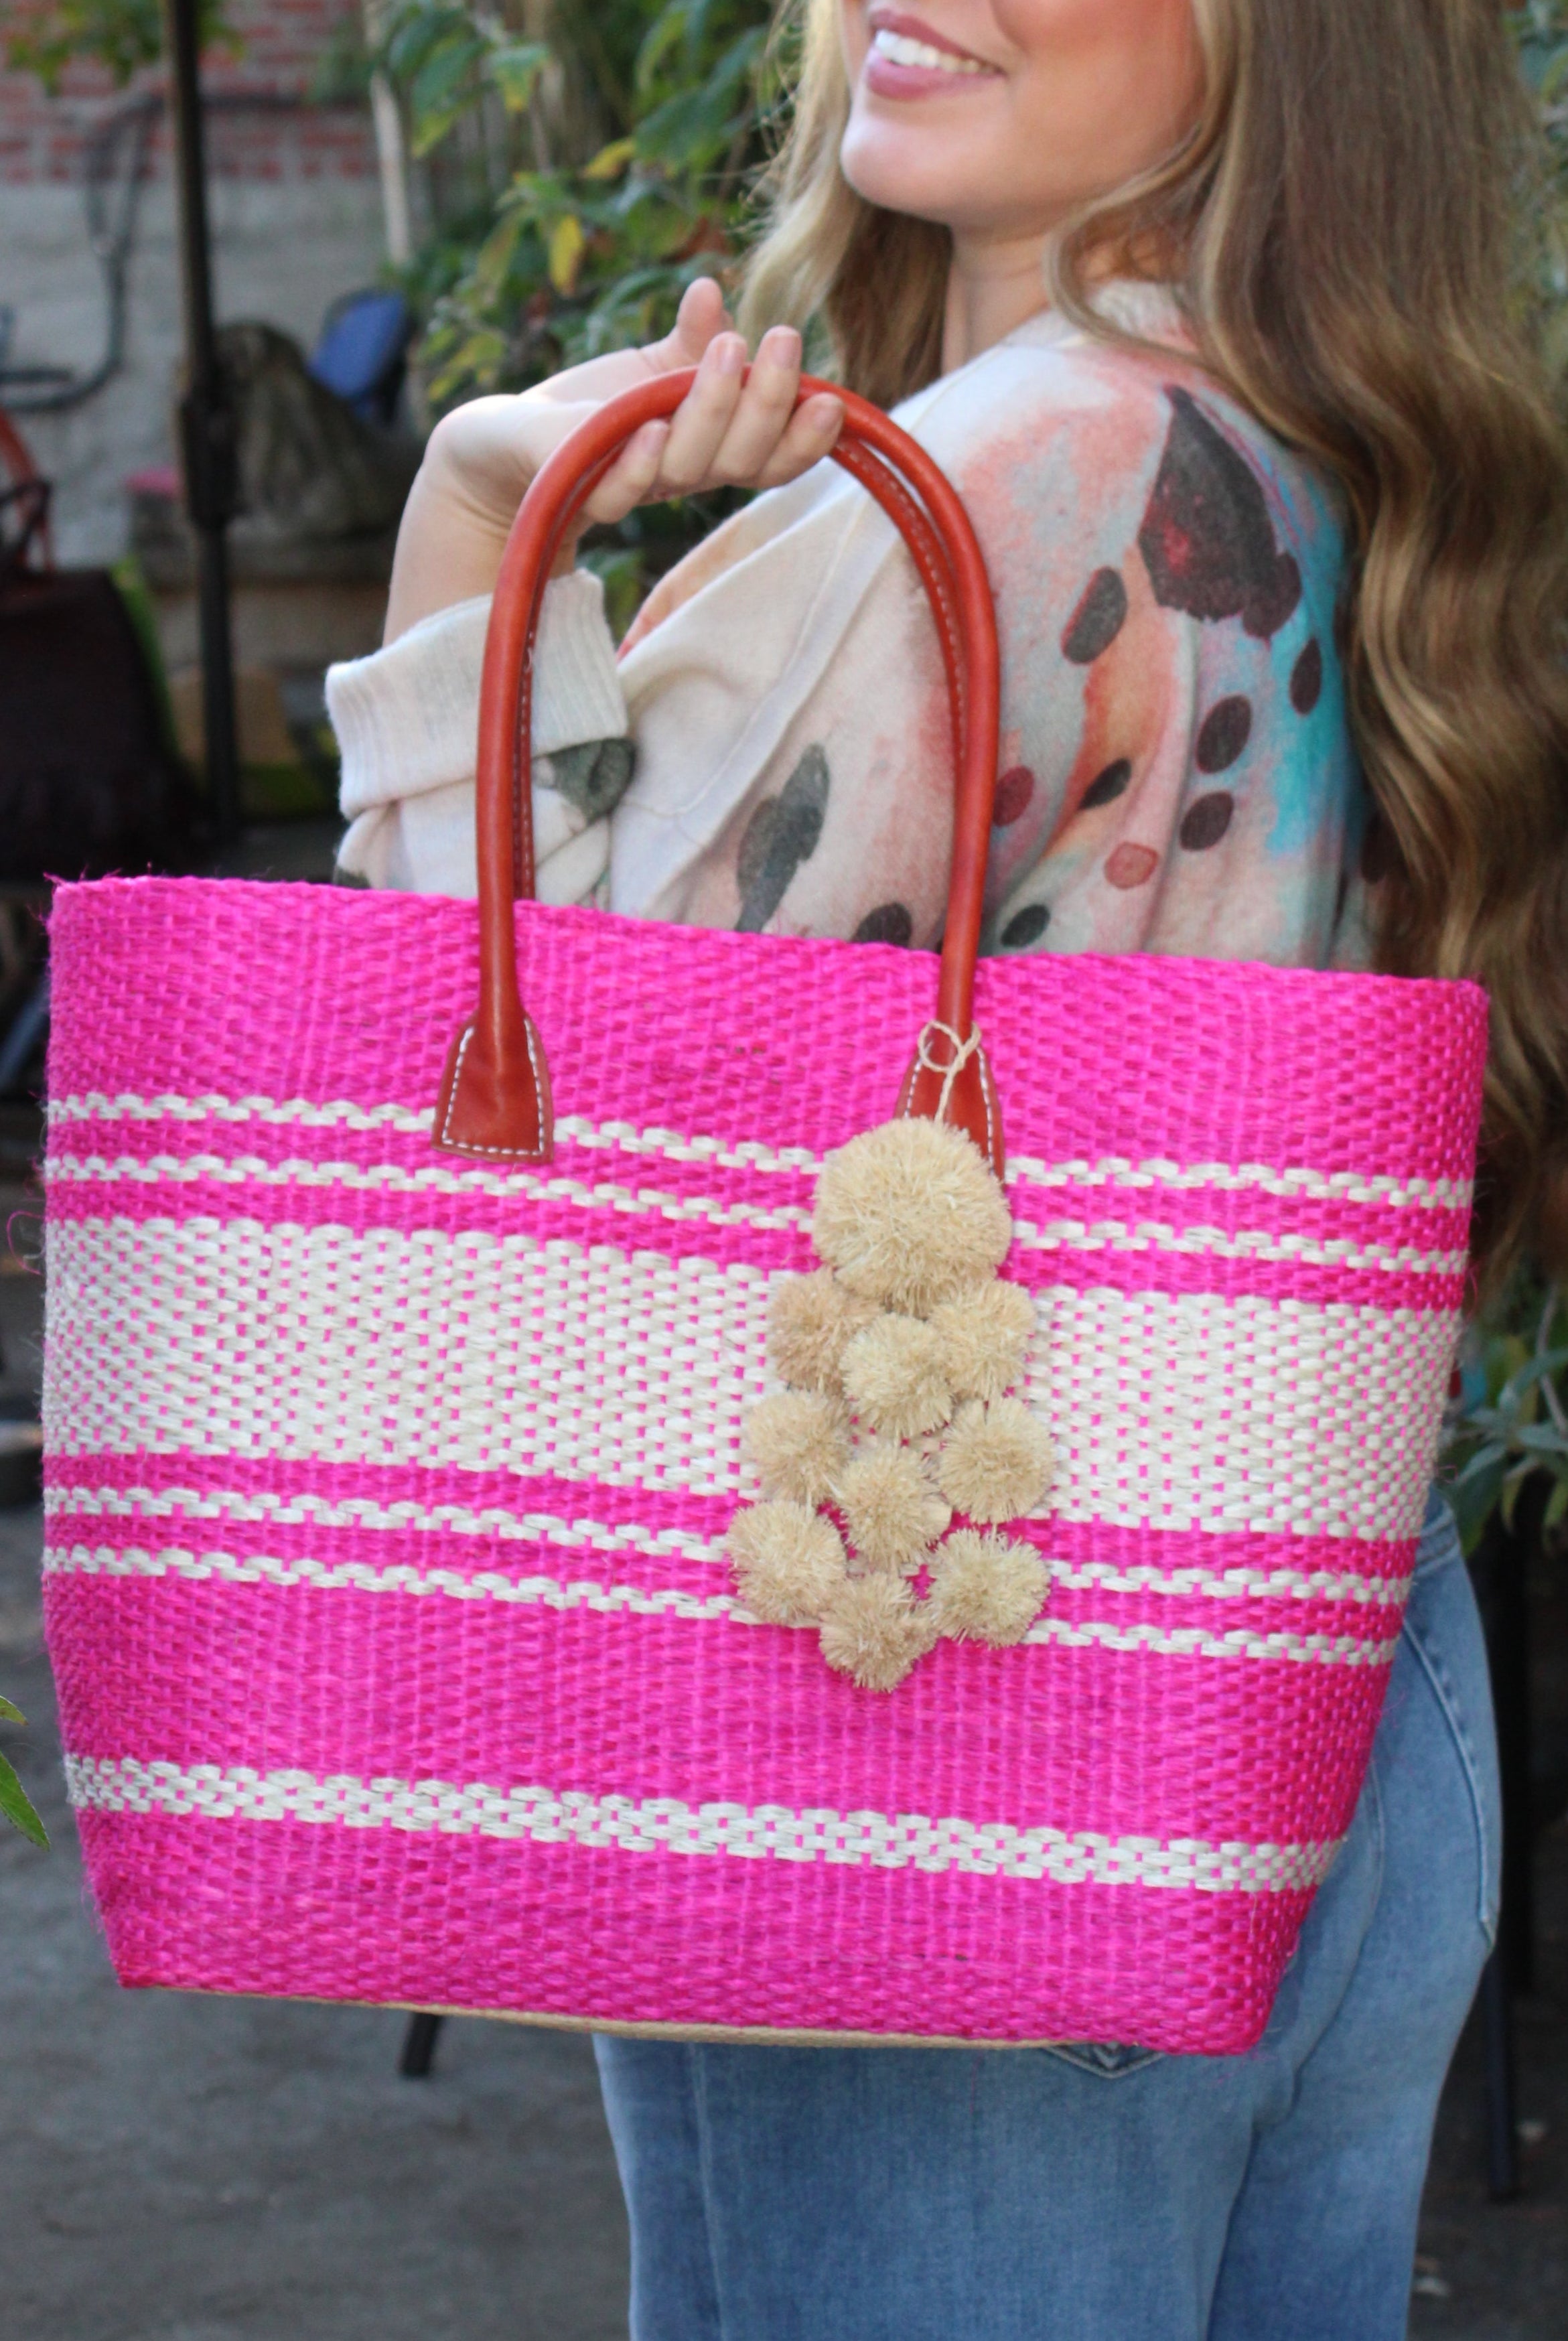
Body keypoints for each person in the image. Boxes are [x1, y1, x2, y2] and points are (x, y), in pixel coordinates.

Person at [326, 3, 1568, 2333]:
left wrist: (486, 505)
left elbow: (497, 1077)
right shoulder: (1309, 452)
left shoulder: (1004, 483)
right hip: (1339, 1677)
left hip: (936, 1708)